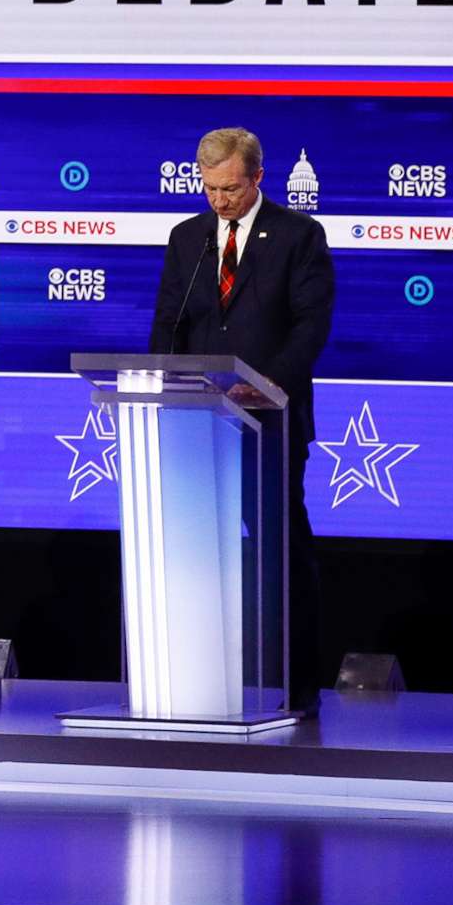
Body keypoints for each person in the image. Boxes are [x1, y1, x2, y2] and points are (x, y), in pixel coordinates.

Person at [151, 125, 334, 712]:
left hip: (270, 419)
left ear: (257, 177)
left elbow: (311, 325)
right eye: (209, 189)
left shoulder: (299, 236)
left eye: (230, 188)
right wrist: (161, 384)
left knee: (280, 546)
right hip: (196, 423)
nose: (219, 201)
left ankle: (296, 682)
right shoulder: (188, 238)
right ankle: (199, 677)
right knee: (198, 548)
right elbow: (168, 324)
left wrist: (269, 383)